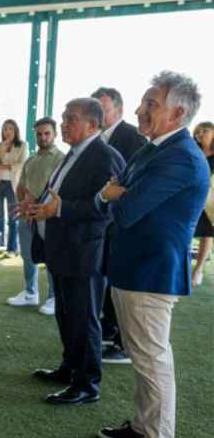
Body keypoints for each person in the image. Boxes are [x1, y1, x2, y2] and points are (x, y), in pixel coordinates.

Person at [94, 72, 208, 438]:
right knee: (144, 358)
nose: (141, 111)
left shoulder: (179, 156)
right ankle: (142, 429)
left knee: (152, 359)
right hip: (134, 267)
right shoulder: (155, 149)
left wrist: (115, 196)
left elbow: (123, 206)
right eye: (143, 103)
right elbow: (119, 192)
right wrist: (117, 195)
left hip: (151, 272)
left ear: (178, 112)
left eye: (151, 104)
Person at [23, 97, 124, 406]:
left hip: (85, 253)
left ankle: (86, 384)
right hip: (62, 249)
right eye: (64, 118)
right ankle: (69, 368)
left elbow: (106, 210)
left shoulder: (105, 156)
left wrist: (59, 209)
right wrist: (38, 206)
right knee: (67, 315)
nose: (64, 123)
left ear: (93, 124)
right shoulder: (76, 153)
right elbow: (57, 194)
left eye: (71, 119)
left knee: (84, 317)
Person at [91, 87, 149, 365]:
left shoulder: (133, 137)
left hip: (121, 222)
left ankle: (122, 344)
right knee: (107, 278)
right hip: (103, 222)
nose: (99, 115)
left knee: (117, 279)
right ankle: (110, 330)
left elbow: (132, 184)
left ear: (119, 110)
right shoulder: (96, 138)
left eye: (104, 109)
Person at [7, 118, 63, 315]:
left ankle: (54, 297)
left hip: (46, 216)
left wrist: (35, 203)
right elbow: (21, 185)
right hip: (27, 214)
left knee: (50, 258)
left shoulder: (60, 158)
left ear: (54, 134)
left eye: (47, 133)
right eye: (39, 134)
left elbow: (56, 188)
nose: (43, 137)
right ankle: (30, 293)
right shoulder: (31, 159)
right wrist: (23, 203)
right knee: (28, 256)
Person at [0, 119, 27, 256]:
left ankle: (12, 248)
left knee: (12, 218)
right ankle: (0, 244)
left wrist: (6, 165)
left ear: (15, 130)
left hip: (12, 184)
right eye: (5, 129)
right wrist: (3, 146)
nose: (7, 131)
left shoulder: (22, 145)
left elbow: (21, 164)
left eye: (10, 128)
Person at [190, 121, 214, 286]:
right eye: (198, 132)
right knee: (187, 231)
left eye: (205, 130)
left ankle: (198, 270)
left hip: (210, 201)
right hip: (193, 197)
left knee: (207, 234)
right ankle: (182, 266)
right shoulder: (193, 152)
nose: (200, 134)